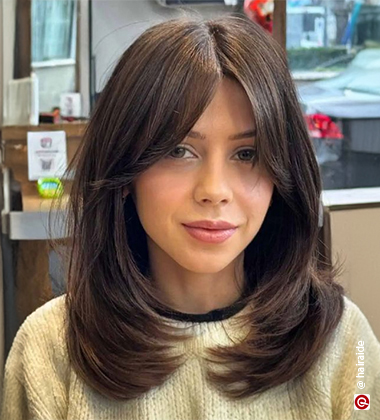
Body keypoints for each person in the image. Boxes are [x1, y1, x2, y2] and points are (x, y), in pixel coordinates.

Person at [1, 16, 380, 420]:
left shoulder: (342, 343)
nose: (214, 190)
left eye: (247, 154)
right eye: (179, 150)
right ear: (126, 169)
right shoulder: (50, 349)